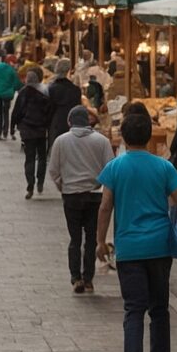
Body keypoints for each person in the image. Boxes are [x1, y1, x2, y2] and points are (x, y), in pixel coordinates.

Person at [97, 107, 177, 352]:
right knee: (159, 310)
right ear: (148, 137)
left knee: (133, 308)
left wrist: (99, 241)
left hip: (129, 248)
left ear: (124, 136)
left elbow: (105, 206)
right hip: (159, 247)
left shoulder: (116, 167)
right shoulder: (163, 167)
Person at [49, 105, 116, 294]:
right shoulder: (101, 141)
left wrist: (63, 185)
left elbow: (53, 169)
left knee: (75, 238)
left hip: (71, 195)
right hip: (94, 195)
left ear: (70, 121)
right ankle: (88, 278)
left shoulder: (61, 141)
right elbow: (110, 168)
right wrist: (97, 184)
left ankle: (75, 277)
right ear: (88, 122)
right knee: (92, 238)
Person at [12, 68, 54, 199]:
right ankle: (40, 182)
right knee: (42, 157)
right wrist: (47, 125)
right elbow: (50, 111)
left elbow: (17, 111)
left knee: (29, 158)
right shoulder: (45, 92)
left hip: (27, 130)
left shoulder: (23, 93)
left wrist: (13, 126)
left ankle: (30, 185)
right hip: (41, 131)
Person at [46, 58, 84, 147]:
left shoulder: (51, 88)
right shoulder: (75, 90)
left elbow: (48, 109)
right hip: (72, 126)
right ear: (69, 71)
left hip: (55, 125)